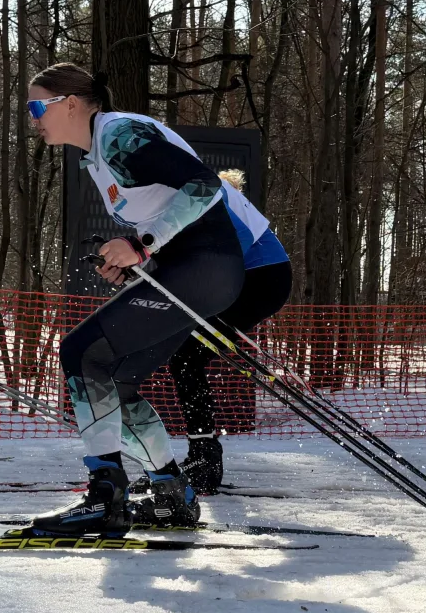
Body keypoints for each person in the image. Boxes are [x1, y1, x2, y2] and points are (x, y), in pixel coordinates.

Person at [24, 63, 246, 535]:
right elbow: (169, 215)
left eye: (36, 106)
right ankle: (172, 495)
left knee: (80, 353)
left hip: (206, 267)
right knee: (113, 383)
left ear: (70, 104)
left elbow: (204, 185)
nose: (33, 118)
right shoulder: (96, 157)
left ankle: (106, 499)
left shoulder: (118, 136)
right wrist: (136, 260)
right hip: (189, 269)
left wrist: (142, 244)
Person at [168, 168, 291, 493]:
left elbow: (227, 249)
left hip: (261, 281)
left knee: (186, 357)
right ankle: (204, 453)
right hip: (260, 280)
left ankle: (204, 456)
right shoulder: (212, 193)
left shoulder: (209, 195)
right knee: (186, 356)